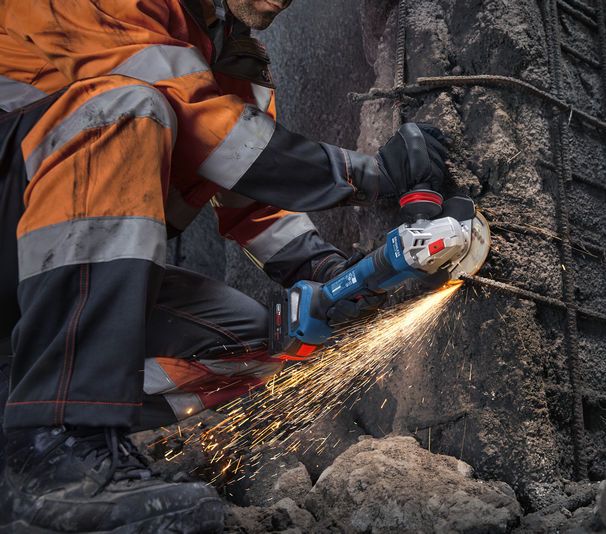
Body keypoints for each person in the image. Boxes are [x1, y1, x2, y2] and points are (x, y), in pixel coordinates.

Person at [0, 0, 448, 531]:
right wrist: (367, 174)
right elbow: (213, 131)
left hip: (44, 289)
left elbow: (252, 196)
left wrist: (323, 269)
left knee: (262, 341)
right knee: (123, 110)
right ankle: (58, 445)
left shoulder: (234, 60)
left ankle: (30, 431)